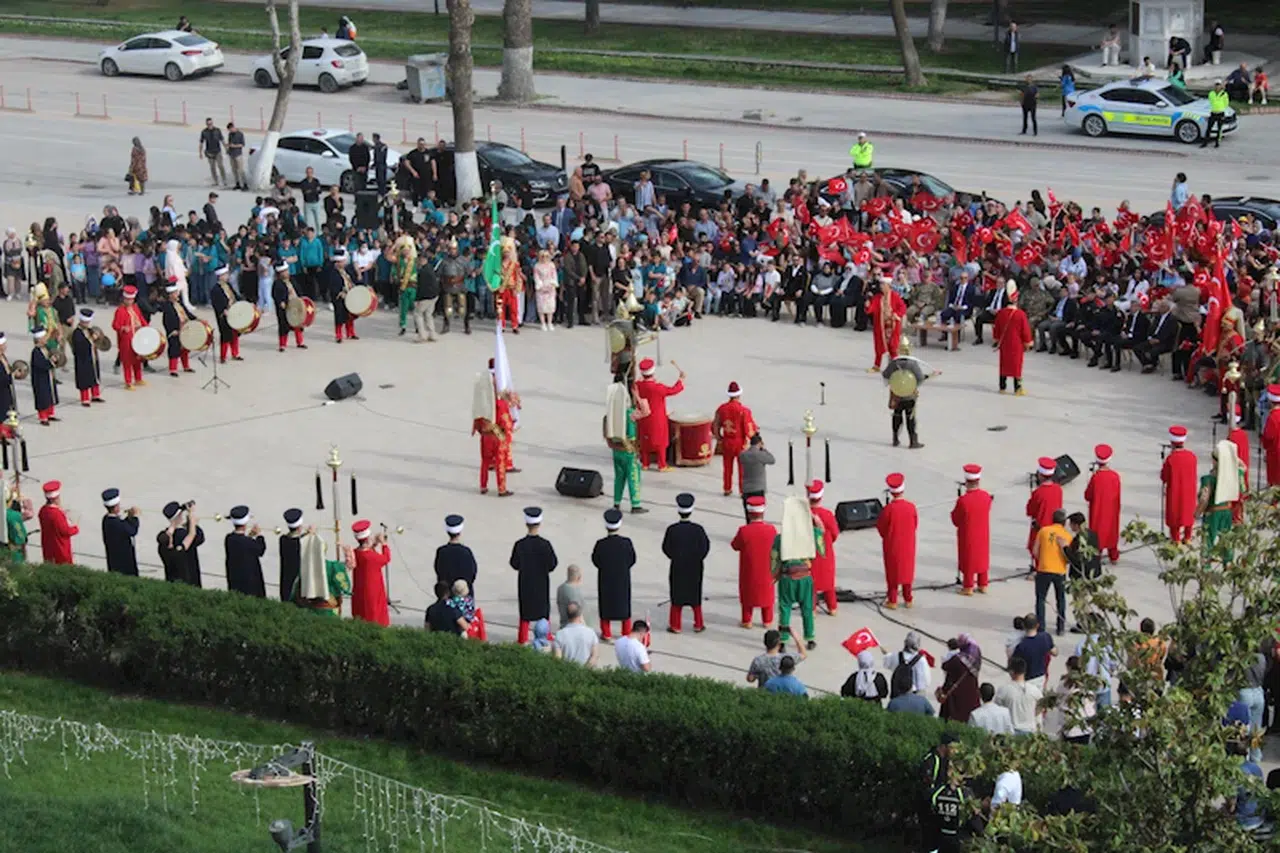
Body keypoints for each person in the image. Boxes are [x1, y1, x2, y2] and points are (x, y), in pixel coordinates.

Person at [772, 495, 825, 651]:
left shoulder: (780, 538)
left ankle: (783, 640)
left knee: (785, 608)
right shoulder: (811, 534)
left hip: (787, 578)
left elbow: (774, 558)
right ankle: (810, 638)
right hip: (804, 577)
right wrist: (816, 520)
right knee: (807, 608)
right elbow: (822, 546)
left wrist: (774, 575)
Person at [662, 492, 710, 633]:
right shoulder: (698, 530)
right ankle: (698, 624)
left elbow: (666, 548)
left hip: (678, 566)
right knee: (695, 596)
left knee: (677, 597)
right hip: (695, 567)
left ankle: (675, 625)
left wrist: (675, 557)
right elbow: (705, 547)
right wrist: (698, 558)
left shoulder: (672, 530)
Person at [511, 506, 558, 645]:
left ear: (526, 523)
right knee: (543, 610)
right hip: (541, 582)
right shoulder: (545, 544)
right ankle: (546, 634)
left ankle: (522, 637)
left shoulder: (520, 544)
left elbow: (514, 563)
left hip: (525, 581)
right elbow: (553, 564)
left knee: (525, 610)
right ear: (540, 523)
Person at [732, 496, 777, 628]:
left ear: (749, 513)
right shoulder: (771, 530)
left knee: (748, 594)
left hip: (749, 571)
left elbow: (735, 545)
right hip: (767, 570)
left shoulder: (744, 531)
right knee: (767, 594)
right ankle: (767, 620)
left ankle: (747, 620)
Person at [472, 361, 515, 496]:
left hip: (485, 435)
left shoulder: (481, 402)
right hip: (496, 434)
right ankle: (501, 489)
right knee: (500, 462)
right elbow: (505, 421)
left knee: (485, 462)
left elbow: (477, 419)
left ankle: (483, 486)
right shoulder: (500, 403)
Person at [592, 508, 636, 640]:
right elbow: (632, 559)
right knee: (624, 604)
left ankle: (606, 633)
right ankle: (626, 631)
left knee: (605, 605)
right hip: (622, 578)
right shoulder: (626, 543)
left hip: (606, 578)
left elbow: (596, 560)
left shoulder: (601, 544)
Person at [634, 358, 685, 471]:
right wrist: (681, 380)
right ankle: (662, 464)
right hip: (657, 418)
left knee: (645, 439)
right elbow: (674, 390)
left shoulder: (637, 385)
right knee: (661, 441)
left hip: (643, 417)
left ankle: (645, 463)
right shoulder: (658, 387)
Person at [604, 383, 647, 514]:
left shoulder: (609, 416)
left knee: (619, 478)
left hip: (616, 450)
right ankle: (635, 504)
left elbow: (607, 436)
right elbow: (646, 411)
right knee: (633, 477)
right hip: (629, 451)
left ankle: (616, 503)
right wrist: (637, 396)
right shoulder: (630, 413)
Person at [877, 473, 917, 609]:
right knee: (907, 571)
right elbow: (915, 524)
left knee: (893, 572)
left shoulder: (888, 510)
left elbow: (881, 528)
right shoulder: (911, 507)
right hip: (908, 544)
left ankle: (892, 600)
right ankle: (908, 598)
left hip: (892, 544)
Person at [951, 463, 992, 595]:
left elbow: (955, 519)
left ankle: (968, 586)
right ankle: (983, 584)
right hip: (983, 533)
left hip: (968, 534)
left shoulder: (963, 500)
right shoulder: (986, 496)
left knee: (969, 558)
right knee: (982, 556)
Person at [1199, 440, 1245, 549]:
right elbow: (1243, 466)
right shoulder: (1236, 474)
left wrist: (1197, 512)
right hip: (1227, 511)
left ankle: (1206, 560)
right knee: (1226, 542)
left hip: (1212, 513)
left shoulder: (1208, 479)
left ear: (1215, 461)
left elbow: (1204, 499)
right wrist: (1231, 458)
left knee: (1207, 541)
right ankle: (1227, 559)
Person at [1033, 508, 1071, 635]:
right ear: (1064, 522)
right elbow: (1068, 556)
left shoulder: (1043, 531)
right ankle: (1060, 627)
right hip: (1060, 571)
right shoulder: (1067, 535)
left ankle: (1041, 627)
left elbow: (1035, 551)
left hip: (1044, 569)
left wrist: (1043, 559)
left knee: (1041, 599)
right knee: (1060, 599)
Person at [713, 381, 755, 496]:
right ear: (739, 395)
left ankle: (727, 488)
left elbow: (715, 425)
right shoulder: (744, 411)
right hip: (740, 442)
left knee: (727, 467)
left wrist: (719, 438)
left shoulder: (721, 409)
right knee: (742, 468)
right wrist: (754, 439)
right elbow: (748, 428)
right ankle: (742, 490)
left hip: (727, 441)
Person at [1082, 443, 1122, 563]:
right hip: (1112, 511)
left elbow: (1087, 496)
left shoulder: (1096, 478)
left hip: (1098, 511)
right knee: (1112, 532)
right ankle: (1113, 557)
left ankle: (1096, 558)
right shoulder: (1115, 476)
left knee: (1097, 534)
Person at [806, 479, 841, 614]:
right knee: (828, 582)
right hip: (826, 553)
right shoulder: (827, 514)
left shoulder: (803, 515)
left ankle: (812, 609)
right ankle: (832, 607)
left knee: (811, 583)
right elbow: (835, 534)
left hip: (809, 554)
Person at [993, 281, 1032, 395]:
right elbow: (1025, 331)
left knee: (1004, 364)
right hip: (1016, 343)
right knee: (1016, 365)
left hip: (1004, 343)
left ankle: (1002, 387)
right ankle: (1017, 388)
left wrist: (997, 339)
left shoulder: (1001, 313)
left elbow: (997, 328)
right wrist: (1028, 342)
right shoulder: (1021, 314)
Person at [1025, 456, 1064, 570]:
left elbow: (1030, 511)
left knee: (1037, 548)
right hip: (1055, 525)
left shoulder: (1038, 492)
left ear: (1040, 475)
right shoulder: (1058, 489)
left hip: (1041, 526)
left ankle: (1039, 570)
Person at [1161, 424, 1198, 543]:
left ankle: (1176, 539)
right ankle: (1187, 537)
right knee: (1188, 512)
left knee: (1175, 513)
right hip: (1189, 491)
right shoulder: (1192, 456)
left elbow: (1164, 477)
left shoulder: (1171, 458)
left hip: (1175, 491)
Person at [350, 519, 391, 626]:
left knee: (361, 612)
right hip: (373, 590)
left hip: (359, 589)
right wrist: (384, 544)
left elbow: (366, 550)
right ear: (368, 539)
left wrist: (374, 544)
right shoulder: (370, 557)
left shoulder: (355, 553)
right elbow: (386, 558)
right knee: (374, 614)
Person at [157, 500, 204, 587]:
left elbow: (170, 531)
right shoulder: (181, 541)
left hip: (171, 577)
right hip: (189, 575)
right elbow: (196, 537)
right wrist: (192, 523)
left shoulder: (162, 546)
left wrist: (175, 523)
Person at [223, 505, 266, 597]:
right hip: (250, 582)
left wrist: (250, 536)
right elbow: (260, 550)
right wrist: (259, 536)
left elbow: (243, 544)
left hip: (235, 578)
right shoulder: (248, 542)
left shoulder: (229, 538)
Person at [939, 634, 982, 722]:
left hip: (956, 699)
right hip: (971, 698)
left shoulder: (958, 659)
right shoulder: (976, 660)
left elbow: (945, 666)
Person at [996, 656, 1044, 734]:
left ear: (1011, 672)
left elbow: (998, 710)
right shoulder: (1035, 690)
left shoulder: (1003, 690)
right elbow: (1042, 706)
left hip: (1011, 731)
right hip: (1030, 731)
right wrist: (1032, 714)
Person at [866, 277, 906, 371]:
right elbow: (872, 309)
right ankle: (877, 365)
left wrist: (896, 314)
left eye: (883, 284)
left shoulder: (895, 296)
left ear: (888, 286)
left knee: (893, 346)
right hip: (880, 326)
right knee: (879, 346)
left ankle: (896, 366)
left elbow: (902, 307)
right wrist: (868, 306)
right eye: (881, 284)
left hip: (893, 326)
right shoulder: (877, 297)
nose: (881, 286)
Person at [112, 285, 146, 390]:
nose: (129, 301)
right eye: (127, 299)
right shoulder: (120, 310)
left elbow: (141, 319)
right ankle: (128, 381)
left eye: (131, 299)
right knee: (127, 361)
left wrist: (146, 327)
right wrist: (122, 328)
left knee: (138, 359)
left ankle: (138, 378)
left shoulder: (135, 308)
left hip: (137, 336)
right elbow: (115, 325)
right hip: (126, 339)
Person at [433, 514, 477, 596]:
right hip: (464, 594)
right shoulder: (466, 552)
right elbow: (472, 573)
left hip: (446, 594)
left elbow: (439, 570)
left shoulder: (442, 551)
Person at [100, 487, 139, 576]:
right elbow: (132, 531)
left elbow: (124, 526)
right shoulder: (116, 523)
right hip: (124, 560)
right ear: (116, 507)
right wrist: (134, 517)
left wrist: (128, 517)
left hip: (113, 558)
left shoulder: (107, 519)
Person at [35, 480, 76, 564]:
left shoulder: (43, 510)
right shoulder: (56, 514)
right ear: (56, 498)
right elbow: (65, 531)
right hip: (60, 549)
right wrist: (76, 528)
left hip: (48, 547)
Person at [160, 283, 195, 377]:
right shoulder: (168, 306)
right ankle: (173, 369)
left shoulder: (179, 303)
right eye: (175, 293)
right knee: (174, 349)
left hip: (184, 328)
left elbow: (187, 313)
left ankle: (186, 366)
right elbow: (166, 321)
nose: (177, 294)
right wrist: (172, 330)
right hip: (175, 331)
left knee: (185, 348)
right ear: (170, 295)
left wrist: (196, 319)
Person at [70, 309, 103, 406]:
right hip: (83, 359)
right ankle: (85, 398)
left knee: (94, 375)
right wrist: (90, 339)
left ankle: (95, 394)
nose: (86, 324)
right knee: (84, 378)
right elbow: (79, 346)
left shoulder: (89, 330)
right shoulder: (77, 332)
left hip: (92, 356)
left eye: (88, 322)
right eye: (84, 322)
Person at [738, 433, 775, 520]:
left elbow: (741, 458)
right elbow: (772, 460)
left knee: (748, 514)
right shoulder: (760, 455)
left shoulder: (743, 455)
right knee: (758, 515)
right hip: (758, 489)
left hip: (746, 488)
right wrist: (764, 449)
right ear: (759, 443)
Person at [552, 601, 599, 666]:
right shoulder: (591, 632)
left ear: (567, 615)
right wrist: (585, 670)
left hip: (567, 670)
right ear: (580, 614)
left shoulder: (559, 634)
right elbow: (594, 656)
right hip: (585, 670)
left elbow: (557, 660)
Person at [1012, 614, 1057, 682]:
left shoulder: (1021, 646)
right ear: (1037, 625)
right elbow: (1055, 653)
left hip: (1028, 679)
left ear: (1024, 626)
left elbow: (1014, 666)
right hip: (1041, 677)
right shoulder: (1045, 637)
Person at [273, 263, 306, 351]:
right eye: (284, 271)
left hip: (295, 305)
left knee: (297, 324)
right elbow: (275, 295)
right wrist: (280, 302)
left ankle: (300, 342)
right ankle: (282, 345)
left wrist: (301, 298)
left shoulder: (292, 280)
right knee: (283, 326)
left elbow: (298, 289)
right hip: (285, 307)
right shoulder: (277, 283)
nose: (287, 273)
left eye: (287, 271)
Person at [29, 328, 56, 426]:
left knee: (49, 395)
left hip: (48, 376)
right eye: (44, 338)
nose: (46, 339)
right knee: (42, 397)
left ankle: (50, 413)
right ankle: (43, 417)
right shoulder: (36, 352)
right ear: (39, 339)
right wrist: (50, 362)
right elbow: (40, 364)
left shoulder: (46, 348)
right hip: (40, 379)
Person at [198, 117, 227, 187]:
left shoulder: (217, 130)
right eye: (208, 124)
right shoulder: (204, 132)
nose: (209, 125)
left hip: (217, 151)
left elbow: (222, 140)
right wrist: (200, 153)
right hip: (209, 152)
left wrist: (226, 148)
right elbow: (201, 143)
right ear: (206, 124)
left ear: (212, 123)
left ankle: (224, 180)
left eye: (210, 124)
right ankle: (215, 181)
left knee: (220, 166)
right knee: (212, 167)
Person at [1203, 79, 1230, 149]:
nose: (1217, 86)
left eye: (1218, 85)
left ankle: (1217, 142)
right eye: (1216, 85)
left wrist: (1221, 108)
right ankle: (1205, 142)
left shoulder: (1224, 94)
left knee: (1219, 129)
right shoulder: (1211, 93)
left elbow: (1226, 103)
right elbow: (1210, 101)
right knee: (1209, 128)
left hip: (1220, 113)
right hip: (1213, 113)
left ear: (1221, 86)